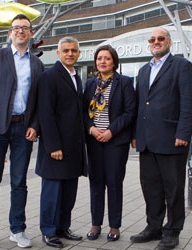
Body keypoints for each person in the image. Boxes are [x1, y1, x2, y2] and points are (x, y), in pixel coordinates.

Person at [0, 14, 44, 249]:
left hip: (23, 129)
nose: (20, 31)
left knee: (19, 182)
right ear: (10, 33)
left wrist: (34, 126)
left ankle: (18, 229)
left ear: (31, 33)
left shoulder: (36, 64)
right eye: (16, 28)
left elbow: (38, 101)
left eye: (25, 28)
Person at [130, 27, 192, 250]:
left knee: (173, 188)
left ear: (169, 41)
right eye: (152, 39)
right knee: (150, 187)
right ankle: (153, 227)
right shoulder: (143, 70)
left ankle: (172, 231)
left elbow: (188, 103)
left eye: (160, 38)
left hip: (172, 139)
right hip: (147, 141)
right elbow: (140, 105)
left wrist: (183, 133)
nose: (156, 42)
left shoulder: (181, 66)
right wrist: (136, 135)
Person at [36, 36, 86, 248]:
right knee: (52, 192)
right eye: (65, 50)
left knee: (69, 191)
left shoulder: (77, 77)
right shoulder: (49, 77)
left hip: (73, 146)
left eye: (74, 50)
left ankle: (63, 227)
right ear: (58, 53)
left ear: (79, 53)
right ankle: (48, 230)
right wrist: (53, 146)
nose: (70, 54)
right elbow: (45, 113)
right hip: (56, 147)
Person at [83, 45, 136, 241]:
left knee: (114, 183)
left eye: (106, 58)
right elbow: (83, 112)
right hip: (94, 140)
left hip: (116, 141)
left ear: (114, 61)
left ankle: (114, 226)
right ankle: (96, 223)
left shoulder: (125, 83)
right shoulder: (90, 85)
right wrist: (92, 129)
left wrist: (111, 131)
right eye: (99, 58)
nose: (102, 62)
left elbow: (130, 112)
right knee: (96, 183)